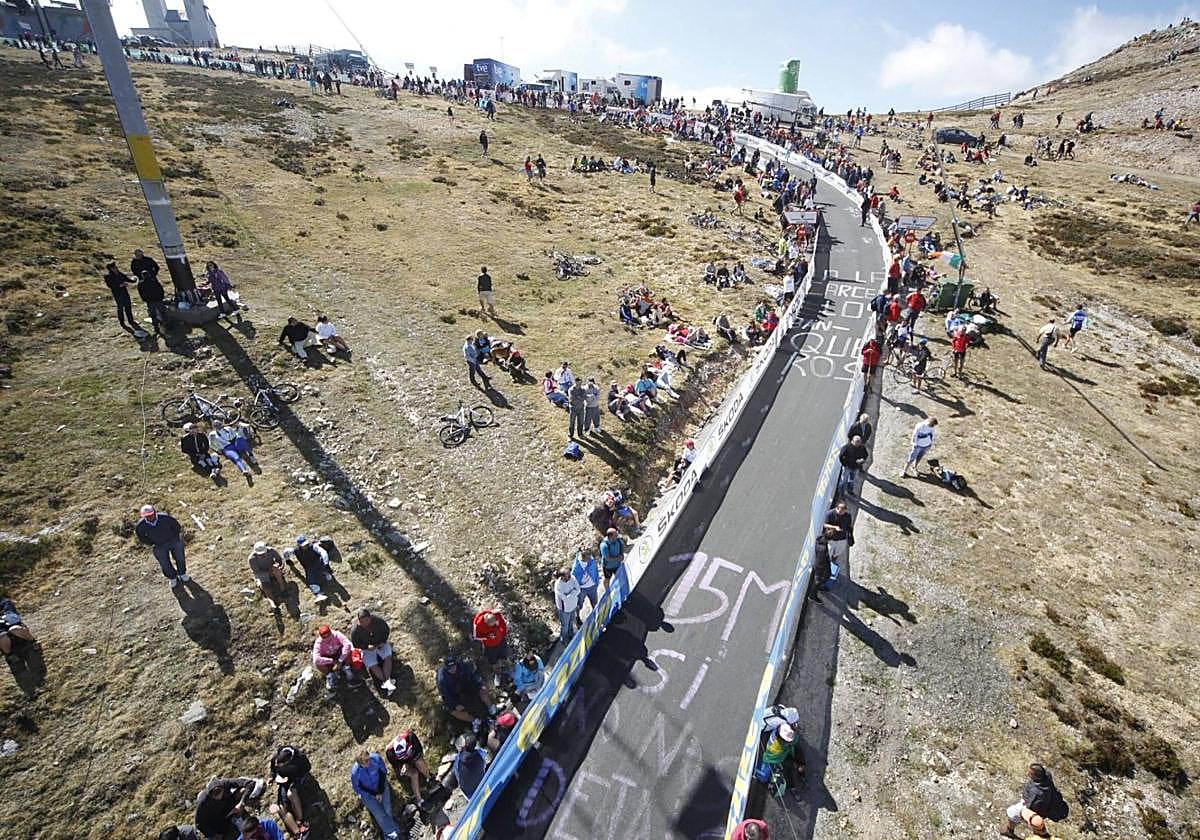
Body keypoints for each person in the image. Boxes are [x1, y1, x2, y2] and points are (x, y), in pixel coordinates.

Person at [1000, 763, 1069, 838]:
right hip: (1047, 803)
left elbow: (1030, 806)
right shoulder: (1047, 775)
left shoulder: (1036, 792)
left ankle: (1009, 830)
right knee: (1038, 823)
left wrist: (1026, 811)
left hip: (1037, 807)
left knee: (1013, 813)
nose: (1028, 773)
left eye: (1030, 773)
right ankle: (1043, 833)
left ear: (1036, 776)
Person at [351, 751, 402, 840]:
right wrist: (374, 794)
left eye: (368, 759)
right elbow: (357, 788)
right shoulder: (355, 772)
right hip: (367, 794)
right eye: (366, 762)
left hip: (381, 785)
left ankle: (391, 834)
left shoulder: (376, 759)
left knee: (387, 809)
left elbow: (383, 773)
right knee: (379, 814)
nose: (369, 762)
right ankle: (393, 834)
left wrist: (380, 791)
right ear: (360, 764)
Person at [194, 777, 265, 839]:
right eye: (215, 796)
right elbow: (199, 823)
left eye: (220, 793)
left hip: (229, 806)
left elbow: (250, 783)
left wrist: (241, 803)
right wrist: (213, 835)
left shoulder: (224, 783)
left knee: (242, 790)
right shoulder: (203, 802)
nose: (219, 797)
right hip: (217, 820)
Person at [136, 504, 188, 588]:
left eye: (150, 515)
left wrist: (175, 537)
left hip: (173, 541)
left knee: (180, 558)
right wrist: (152, 543)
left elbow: (176, 526)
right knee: (164, 563)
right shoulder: (141, 525)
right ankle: (172, 577)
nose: (148, 517)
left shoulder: (165, 518)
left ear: (154, 513)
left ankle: (182, 573)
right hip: (159, 545)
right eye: (146, 516)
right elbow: (141, 537)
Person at [267, 745, 311, 839]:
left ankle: (301, 821)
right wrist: (272, 776)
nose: (278, 766)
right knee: (281, 807)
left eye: (280, 765)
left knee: (291, 794)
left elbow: (307, 769)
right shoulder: (278, 756)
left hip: (296, 779)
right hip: (283, 780)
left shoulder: (299, 758)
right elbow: (273, 768)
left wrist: (294, 781)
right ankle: (297, 832)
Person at [351, 608, 397, 696]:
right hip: (367, 649)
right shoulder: (355, 630)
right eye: (362, 621)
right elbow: (355, 643)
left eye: (366, 620)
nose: (364, 623)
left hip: (380, 644)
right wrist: (366, 647)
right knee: (372, 665)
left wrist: (382, 642)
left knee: (388, 657)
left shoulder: (379, 621)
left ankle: (387, 682)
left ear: (370, 618)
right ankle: (387, 681)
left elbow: (386, 631)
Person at [436, 655, 492, 723]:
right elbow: (446, 695)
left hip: (466, 685)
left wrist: (480, 685)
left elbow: (472, 675)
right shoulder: (442, 679)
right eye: (449, 668)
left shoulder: (462, 665)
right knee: (453, 711)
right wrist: (455, 705)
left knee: (483, 689)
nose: (453, 669)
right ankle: (475, 721)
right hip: (455, 694)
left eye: (454, 666)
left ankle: (492, 708)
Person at [385, 728, 430, 803]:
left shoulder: (411, 737)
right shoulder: (390, 752)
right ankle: (419, 800)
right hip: (402, 764)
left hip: (413, 757)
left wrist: (408, 763)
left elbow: (419, 752)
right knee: (414, 774)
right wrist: (403, 767)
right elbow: (396, 766)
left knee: (419, 762)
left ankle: (429, 778)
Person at [288, 536, 332, 602]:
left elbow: (323, 553)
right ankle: (319, 594)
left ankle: (326, 573)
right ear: (299, 545)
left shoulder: (313, 546)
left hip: (318, 562)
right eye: (303, 545)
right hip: (309, 568)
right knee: (310, 580)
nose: (306, 546)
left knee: (323, 568)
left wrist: (326, 564)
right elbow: (286, 552)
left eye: (306, 544)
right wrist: (287, 560)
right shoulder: (295, 551)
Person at [248, 542, 287, 611]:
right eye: (260, 554)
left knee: (276, 569)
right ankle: (273, 605)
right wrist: (267, 573)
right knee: (265, 586)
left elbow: (280, 560)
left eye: (264, 553)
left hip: (272, 570)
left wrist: (279, 566)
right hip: (262, 574)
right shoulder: (252, 559)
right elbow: (257, 572)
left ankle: (283, 589)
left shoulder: (271, 551)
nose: (262, 555)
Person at [311, 624, 352, 690]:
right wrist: (332, 661)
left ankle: (347, 668)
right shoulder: (318, 643)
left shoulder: (337, 635)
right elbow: (316, 659)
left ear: (331, 632)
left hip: (339, 654)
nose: (327, 639)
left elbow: (347, 644)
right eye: (324, 637)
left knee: (349, 651)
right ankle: (330, 676)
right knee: (318, 664)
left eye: (328, 636)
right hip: (328, 658)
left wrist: (340, 660)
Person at [450, 733, 488, 799]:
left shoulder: (458, 761)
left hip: (469, 793)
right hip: (483, 782)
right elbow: (485, 754)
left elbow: (457, 775)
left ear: (464, 747)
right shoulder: (480, 752)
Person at [822, 500, 853, 580]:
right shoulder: (830, 514)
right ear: (837, 508)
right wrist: (834, 527)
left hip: (842, 539)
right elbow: (825, 525)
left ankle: (832, 565)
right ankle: (826, 569)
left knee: (837, 553)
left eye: (843, 512)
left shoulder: (848, 516)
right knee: (828, 553)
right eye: (839, 512)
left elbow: (849, 526)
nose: (841, 513)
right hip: (831, 539)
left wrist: (850, 536)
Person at [103, 262, 137, 330]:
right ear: (111, 269)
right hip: (117, 294)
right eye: (114, 267)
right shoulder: (108, 276)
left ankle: (131, 320)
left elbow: (126, 278)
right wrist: (120, 285)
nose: (116, 268)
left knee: (128, 306)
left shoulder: (119, 273)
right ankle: (122, 323)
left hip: (124, 293)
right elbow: (110, 285)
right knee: (120, 308)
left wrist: (134, 280)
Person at [137, 268, 169, 336]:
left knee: (154, 315)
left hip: (151, 301)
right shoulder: (153, 281)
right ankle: (166, 326)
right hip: (157, 300)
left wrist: (145, 299)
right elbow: (160, 289)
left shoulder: (141, 284)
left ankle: (156, 328)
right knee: (162, 313)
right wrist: (161, 297)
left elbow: (141, 293)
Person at [553, 566, 581, 642]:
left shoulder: (573, 578)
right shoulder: (558, 585)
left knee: (571, 622)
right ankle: (564, 639)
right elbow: (564, 599)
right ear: (562, 576)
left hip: (573, 605)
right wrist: (573, 593)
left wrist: (570, 594)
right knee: (565, 626)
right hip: (564, 610)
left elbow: (578, 589)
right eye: (567, 574)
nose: (569, 575)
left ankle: (571, 635)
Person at [572, 547, 600, 612]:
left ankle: (597, 615)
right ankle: (577, 617)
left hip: (592, 586)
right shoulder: (576, 567)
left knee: (595, 603)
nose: (590, 558)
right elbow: (574, 579)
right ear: (583, 557)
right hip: (582, 589)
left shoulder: (592, 561)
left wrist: (596, 582)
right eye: (588, 556)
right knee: (579, 605)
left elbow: (595, 571)